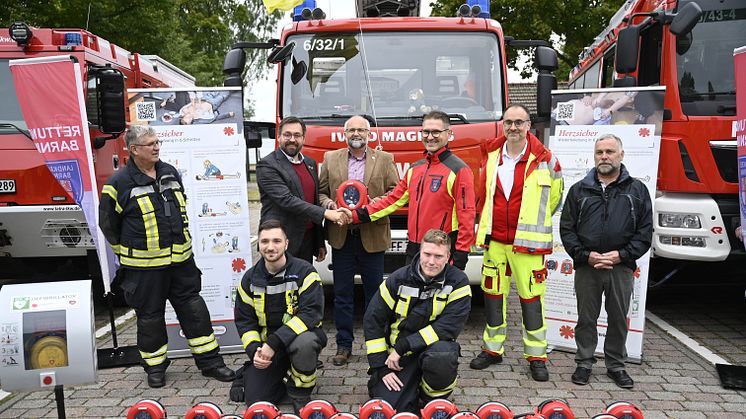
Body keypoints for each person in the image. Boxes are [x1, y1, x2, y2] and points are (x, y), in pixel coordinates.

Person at [99, 125, 234, 388]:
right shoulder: (118, 183)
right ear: (134, 149)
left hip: (181, 263)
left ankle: (211, 363)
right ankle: (155, 368)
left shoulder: (169, 172)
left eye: (157, 141)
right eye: (150, 143)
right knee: (150, 319)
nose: (157, 146)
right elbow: (109, 225)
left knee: (195, 312)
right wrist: (126, 253)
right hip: (144, 269)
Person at [469, 104, 563, 382]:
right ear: (503, 124)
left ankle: (536, 356)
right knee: (493, 297)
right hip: (495, 242)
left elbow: (554, 199)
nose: (513, 127)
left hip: (528, 245)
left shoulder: (546, 160)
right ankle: (492, 349)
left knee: (532, 300)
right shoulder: (490, 157)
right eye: (508, 122)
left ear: (528, 125)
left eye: (519, 122)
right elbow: (481, 196)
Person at [559, 134, 653, 389]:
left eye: (610, 151)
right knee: (586, 317)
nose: (604, 156)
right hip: (587, 267)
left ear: (621, 155)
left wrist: (621, 255)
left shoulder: (637, 190)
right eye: (599, 152)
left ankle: (616, 365)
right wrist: (584, 256)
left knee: (618, 318)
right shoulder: (579, 189)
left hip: (620, 267)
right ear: (594, 156)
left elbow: (645, 232)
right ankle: (584, 362)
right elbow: (567, 229)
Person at [344, 110, 476, 270]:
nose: (430, 136)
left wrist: (460, 257)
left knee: (437, 296)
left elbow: (467, 217)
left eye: (436, 132)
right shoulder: (415, 168)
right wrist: (357, 215)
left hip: (440, 252)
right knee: (409, 294)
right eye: (426, 132)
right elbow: (391, 201)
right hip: (414, 250)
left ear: (449, 134)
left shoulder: (459, 170)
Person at [318, 115, 399, 366]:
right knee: (342, 295)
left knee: (375, 295)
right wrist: (330, 205)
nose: (356, 133)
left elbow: (395, 193)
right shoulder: (331, 159)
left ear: (369, 134)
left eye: (361, 129)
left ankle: (377, 344)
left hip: (372, 236)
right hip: (342, 237)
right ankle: (343, 346)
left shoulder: (385, 159)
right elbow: (320, 193)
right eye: (351, 129)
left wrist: (373, 205)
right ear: (345, 134)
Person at [364, 229, 471, 413]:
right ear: (419, 252)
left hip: (431, 350)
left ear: (448, 257)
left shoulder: (458, 283)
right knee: (390, 408)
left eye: (438, 256)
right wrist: (380, 366)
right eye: (427, 254)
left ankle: (431, 397)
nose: (431, 262)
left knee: (443, 355)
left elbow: (447, 328)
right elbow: (372, 319)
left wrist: (404, 346)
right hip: (398, 358)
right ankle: (404, 387)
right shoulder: (398, 279)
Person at [232, 220, 326, 411]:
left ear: (286, 244)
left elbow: (311, 314)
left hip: (297, 340)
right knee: (257, 401)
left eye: (276, 241)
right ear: (258, 244)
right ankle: (250, 374)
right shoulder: (249, 279)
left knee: (306, 343)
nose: (270, 247)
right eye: (265, 241)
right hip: (267, 349)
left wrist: (273, 343)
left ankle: (299, 390)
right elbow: (245, 321)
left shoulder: (305, 273)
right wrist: (255, 352)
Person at [256, 116, 348, 263]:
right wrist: (326, 213)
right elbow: (287, 200)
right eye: (287, 135)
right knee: (281, 284)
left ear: (303, 138)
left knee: (304, 284)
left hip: (306, 239)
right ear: (279, 137)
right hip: (280, 240)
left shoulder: (310, 163)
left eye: (297, 135)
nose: (292, 139)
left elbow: (314, 200)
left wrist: (319, 242)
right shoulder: (267, 165)